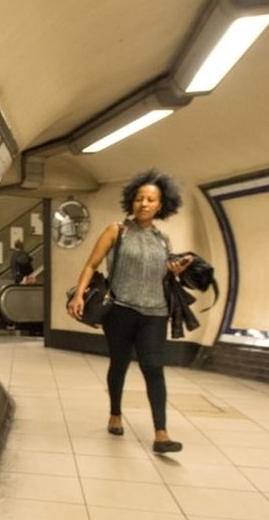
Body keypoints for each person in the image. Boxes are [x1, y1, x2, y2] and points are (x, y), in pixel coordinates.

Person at [67, 170, 192, 454]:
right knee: (120, 363)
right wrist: (78, 295)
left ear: (161, 205)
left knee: (154, 368)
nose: (144, 204)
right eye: (139, 198)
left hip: (155, 313)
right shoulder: (116, 230)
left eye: (151, 200)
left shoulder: (163, 240)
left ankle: (161, 433)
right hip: (121, 310)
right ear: (131, 202)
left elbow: (160, 276)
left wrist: (175, 270)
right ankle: (115, 413)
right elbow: (91, 264)